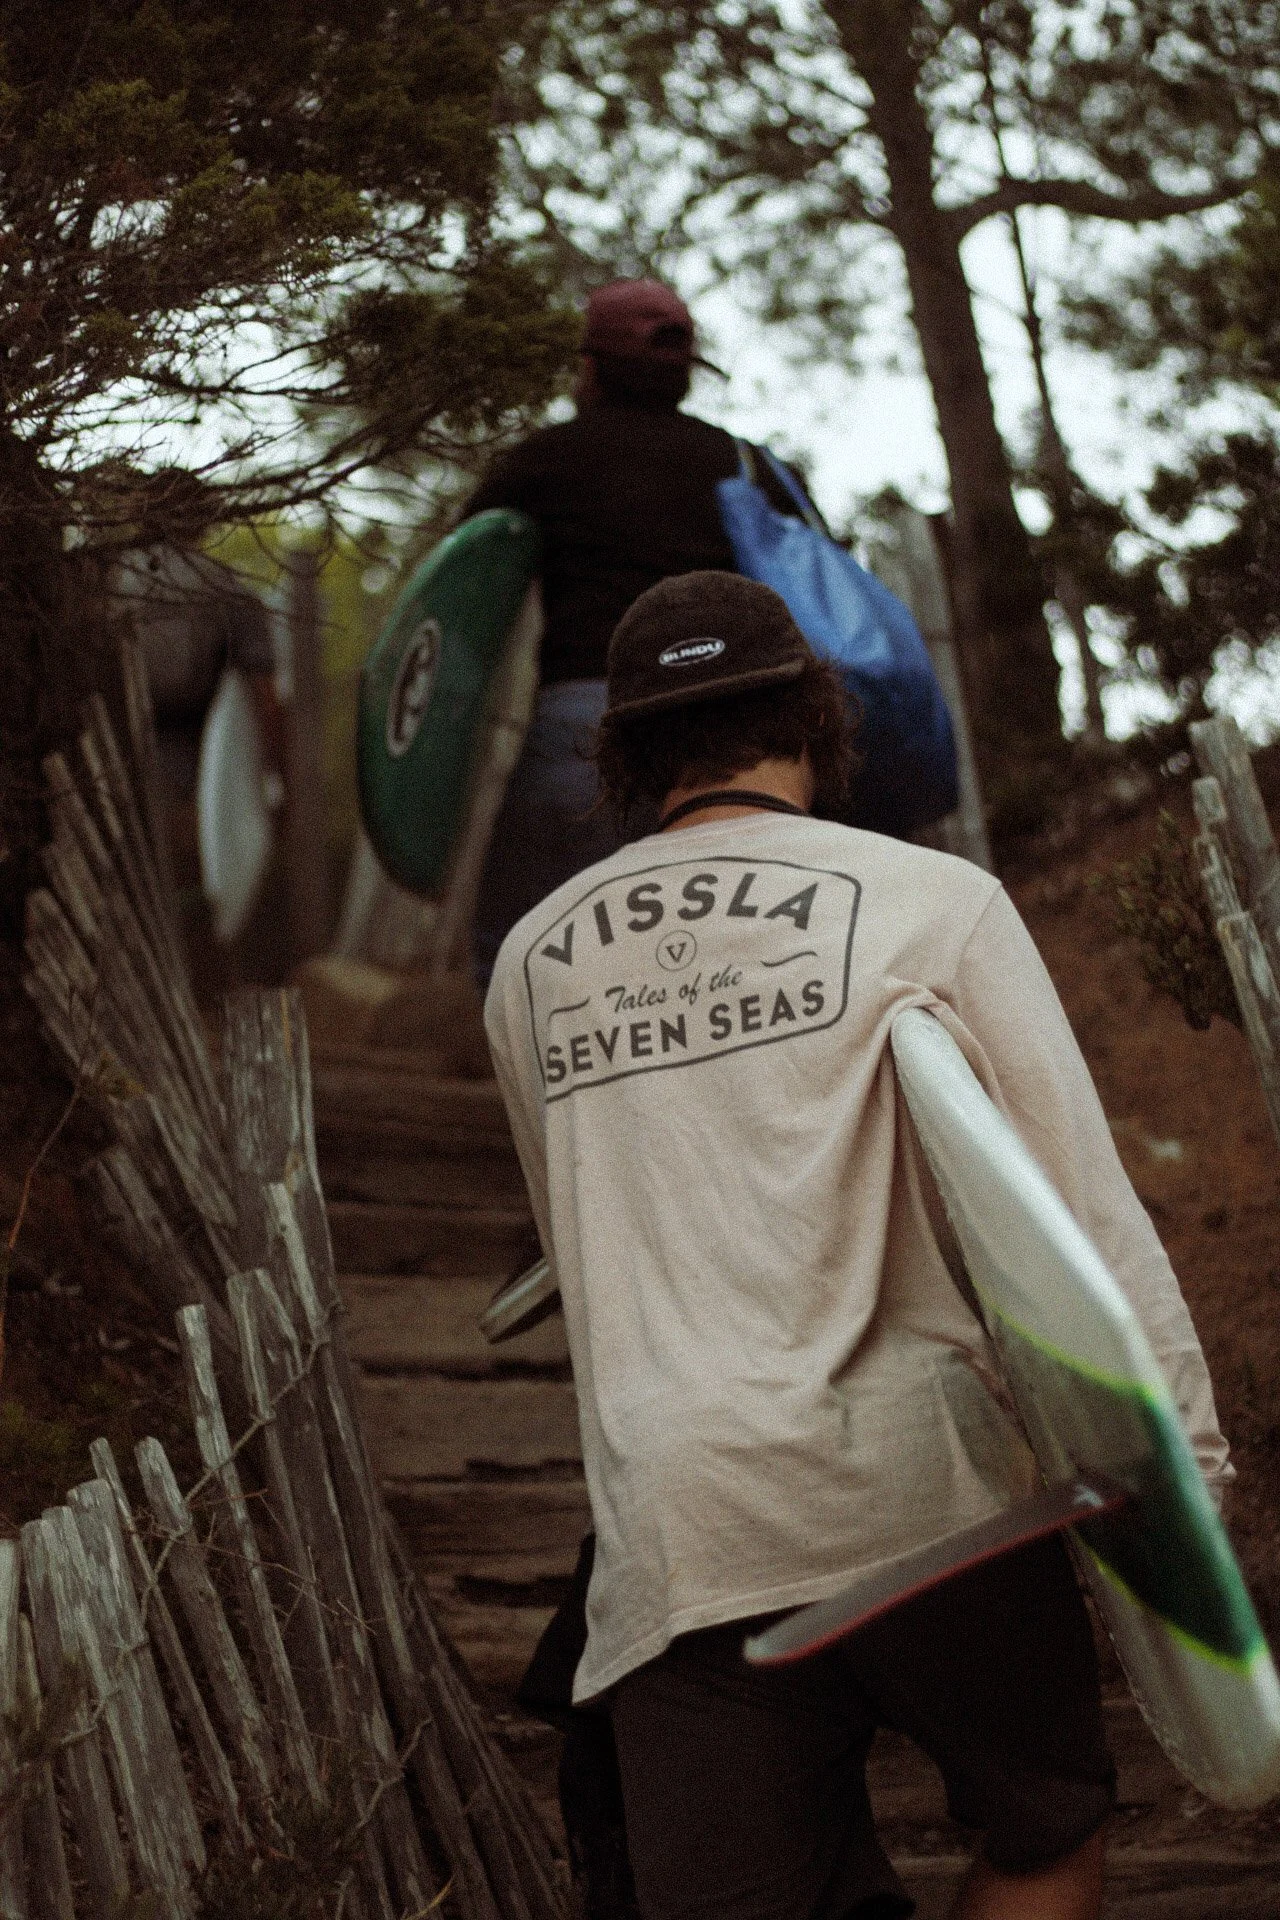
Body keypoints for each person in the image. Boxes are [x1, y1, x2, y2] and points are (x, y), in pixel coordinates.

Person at [482, 571, 1232, 1920]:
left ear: (627, 749)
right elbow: (1078, 1211)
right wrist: (1191, 1471)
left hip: (682, 1525)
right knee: (1048, 1825)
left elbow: (587, 1246)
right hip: (928, 1492)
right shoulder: (930, 905)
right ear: (817, 714)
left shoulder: (532, 963)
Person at [463, 277, 824, 982]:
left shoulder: (545, 458)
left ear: (590, 367)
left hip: (588, 723)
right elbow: (817, 568)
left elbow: (465, 574)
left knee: (529, 953)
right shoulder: (741, 463)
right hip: (734, 731)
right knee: (723, 951)